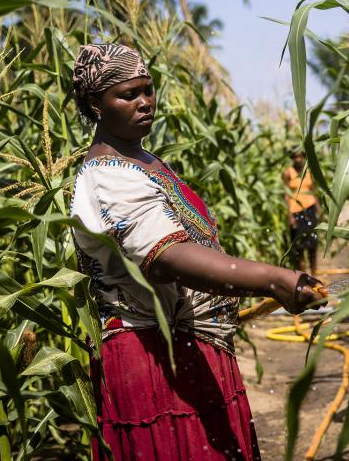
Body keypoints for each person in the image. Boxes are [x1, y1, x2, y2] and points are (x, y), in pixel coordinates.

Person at [68, 43, 322, 461]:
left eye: (148, 89)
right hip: (154, 360)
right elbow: (168, 258)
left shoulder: (142, 159)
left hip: (187, 349)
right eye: (128, 94)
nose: (145, 102)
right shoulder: (108, 177)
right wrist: (275, 280)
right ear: (96, 104)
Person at [283, 149, 320, 274]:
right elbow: (286, 195)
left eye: (300, 156)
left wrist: (318, 210)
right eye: (295, 157)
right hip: (296, 211)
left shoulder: (309, 172)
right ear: (292, 158)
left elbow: (313, 191)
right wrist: (289, 216)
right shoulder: (288, 173)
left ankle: (314, 272)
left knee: (312, 244)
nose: (298, 159)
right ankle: (302, 275)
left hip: (310, 209)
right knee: (298, 245)